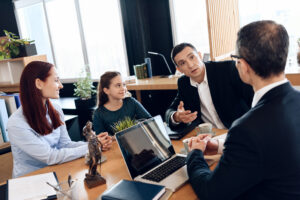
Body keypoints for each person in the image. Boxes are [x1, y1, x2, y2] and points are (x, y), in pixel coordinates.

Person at [187, 20, 300, 199]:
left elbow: (212, 193)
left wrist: (195, 154)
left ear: (244, 66)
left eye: (235, 59)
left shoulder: (246, 128)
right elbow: (274, 144)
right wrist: (219, 146)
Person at [7, 61, 89, 178]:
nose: (61, 85)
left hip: (56, 171)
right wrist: (90, 147)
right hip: (30, 181)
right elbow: (51, 157)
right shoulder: (16, 123)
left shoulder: (56, 110)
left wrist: (93, 143)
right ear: (39, 83)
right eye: (56, 80)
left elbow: (65, 144)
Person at [165, 43, 254, 132]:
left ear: (200, 55)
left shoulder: (228, 69)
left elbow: (255, 100)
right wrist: (176, 116)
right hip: (211, 136)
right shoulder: (184, 83)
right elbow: (169, 111)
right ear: (179, 69)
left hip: (240, 132)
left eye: (192, 57)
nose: (191, 65)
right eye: (183, 63)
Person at [93, 71, 151, 135]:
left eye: (123, 84)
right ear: (106, 90)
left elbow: (149, 121)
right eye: (118, 85)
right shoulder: (98, 114)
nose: (123, 88)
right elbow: (101, 138)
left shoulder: (131, 102)